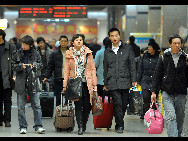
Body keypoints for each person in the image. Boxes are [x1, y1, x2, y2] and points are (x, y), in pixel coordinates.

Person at [151, 34, 188, 137]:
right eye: (174, 43)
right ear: (170, 44)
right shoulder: (164, 57)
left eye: (179, 43)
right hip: (167, 92)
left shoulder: (185, 58)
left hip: (181, 92)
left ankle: (178, 134)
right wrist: (154, 92)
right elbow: (157, 75)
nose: (177, 45)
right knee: (171, 116)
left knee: (180, 117)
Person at [103, 28, 137, 133]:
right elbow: (105, 67)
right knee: (117, 102)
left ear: (119, 36)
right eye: (112, 36)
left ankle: (119, 119)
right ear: (109, 37)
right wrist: (106, 83)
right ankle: (119, 125)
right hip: (112, 80)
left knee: (124, 103)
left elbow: (132, 64)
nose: (114, 38)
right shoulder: (108, 51)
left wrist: (134, 79)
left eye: (116, 35)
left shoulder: (128, 48)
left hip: (125, 80)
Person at [62, 34, 97, 135]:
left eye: (80, 40)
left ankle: (84, 124)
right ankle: (80, 127)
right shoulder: (69, 54)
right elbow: (66, 71)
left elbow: (93, 68)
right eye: (76, 40)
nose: (79, 41)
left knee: (87, 106)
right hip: (75, 83)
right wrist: (65, 85)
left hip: (87, 83)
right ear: (73, 42)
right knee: (78, 105)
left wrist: (94, 84)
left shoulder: (88, 53)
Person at [12, 35, 45, 134]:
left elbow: (41, 65)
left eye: (25, 44)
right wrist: (20, 66)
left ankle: (38, 126)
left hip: (33, 82)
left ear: (30, 45)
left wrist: (35, 65)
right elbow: (13, 66)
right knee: (21, 107)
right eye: (22, 44)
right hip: (21, 82)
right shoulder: (17, 53)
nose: (23, 46)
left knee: (37, 105)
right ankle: (23, 126)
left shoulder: (36, 53)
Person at [137, 39, 160, 119]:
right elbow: (140, 69)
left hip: (155, 82)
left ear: (154, 49)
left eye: (150, 47)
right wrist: (138, 80)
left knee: (154, 99)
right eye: (148, 47)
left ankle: (153, 114)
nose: (148, 49)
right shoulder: (144, 57)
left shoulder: (159, 59)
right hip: (145, 81)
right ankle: (146, 114)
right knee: (146, 98)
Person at [43, 35, 69, 106]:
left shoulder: (71, 53)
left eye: (65, 41)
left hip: (69, 79)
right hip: (58, 78)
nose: (63, 43)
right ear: (59, 42)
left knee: (68, 97)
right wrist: (46, 76)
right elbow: (50, 66)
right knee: (58, 97)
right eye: (62, 41)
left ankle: (68, 114)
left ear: (67, 42)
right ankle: (58, 114)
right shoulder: (54, 53)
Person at [0, 29, 16, 127]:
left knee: (7, 100)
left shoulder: (10, 47)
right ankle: (0, 119)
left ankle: (7, 120)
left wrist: (14, 75)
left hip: (7, 76)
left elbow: (15, 61)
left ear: (1, 36)